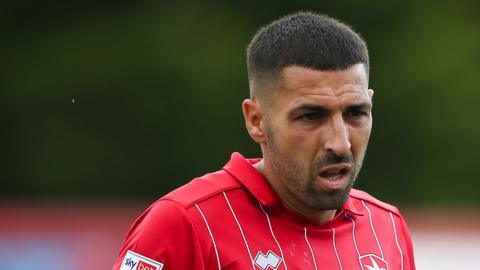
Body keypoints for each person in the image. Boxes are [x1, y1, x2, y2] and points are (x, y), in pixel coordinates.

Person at [113, 11, 416, 270]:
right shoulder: (184, 223)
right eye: (311, 116)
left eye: (355, 114)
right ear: (255, 120)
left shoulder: (387, 228)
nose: (340, 144)